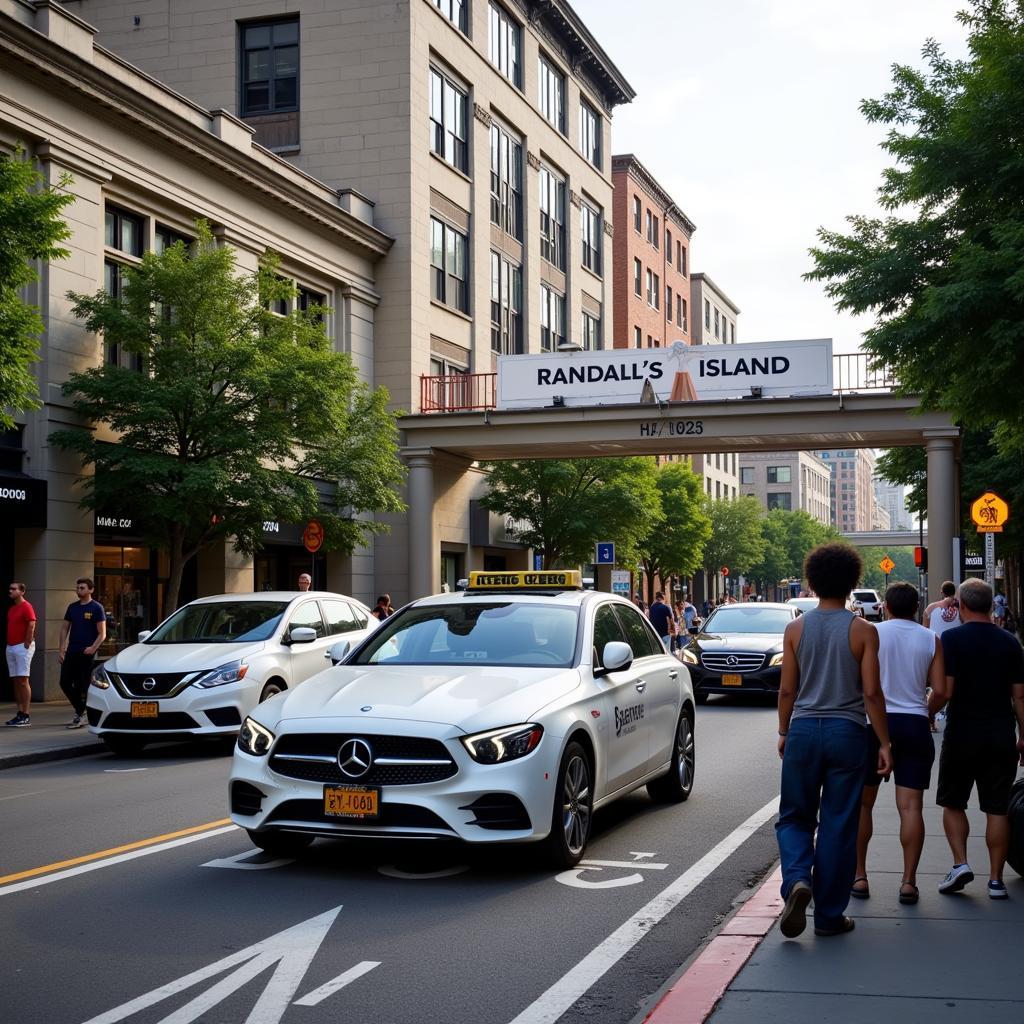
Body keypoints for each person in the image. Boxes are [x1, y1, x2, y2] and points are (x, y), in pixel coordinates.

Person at [775, 543, 892, 939]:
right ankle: (828, 916)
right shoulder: (863, 631)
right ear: (853, 582)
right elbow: (872, 694)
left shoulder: (795, 629)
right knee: (839, 823)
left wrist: (783, 730)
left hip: (804, 731)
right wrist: (884, 743)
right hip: (847, 732)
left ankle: (796, 881)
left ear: (811, 581)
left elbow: (787, 691)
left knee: (794, 816)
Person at [852, 582, 946, 905]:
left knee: (863, 804)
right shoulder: (931, 639)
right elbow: (942, 690)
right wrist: (926, 712)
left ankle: (860, 876)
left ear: (886, 607)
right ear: (917, 607)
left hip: (874, 724)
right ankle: (908, 882)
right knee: (911, 807)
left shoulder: (871, 633)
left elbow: (862, 685)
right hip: (914, 724)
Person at [930, 578, 1024, 899]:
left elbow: (946, 691)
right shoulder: (1011, 643)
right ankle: (996, 881)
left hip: (962, 734)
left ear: (963, 606)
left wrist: (926, 713)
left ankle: (961, 864)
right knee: (997, 809)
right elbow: (1020, 698)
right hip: (1000, 734)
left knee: (953, 802)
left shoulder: (952, 640)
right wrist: (1023, 736)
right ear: (988, 605)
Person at [58, 577, 107, 729]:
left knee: (83, 685)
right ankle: (81, 710)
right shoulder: (72, 607)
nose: (79, 590)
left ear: (91, 590)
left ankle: (80, 714)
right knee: (64, 682)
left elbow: (102, 633)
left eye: (82, 588)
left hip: (86, 653)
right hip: (71, 651)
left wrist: (93, 648)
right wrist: (61, 649)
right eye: (78, 587)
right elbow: (64, 628)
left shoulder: (97, 608)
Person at [5, 582, 37, 727]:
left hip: (22, 646)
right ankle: (19, 713)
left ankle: (26, 714)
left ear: (22, 591)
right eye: (10, 589)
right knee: (16, 681)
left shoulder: (27, 606)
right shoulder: (12, 609)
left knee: (23, 680)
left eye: (13, 589)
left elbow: (31, 623)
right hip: (11, 647)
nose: (10, 591)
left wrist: (27, 642)